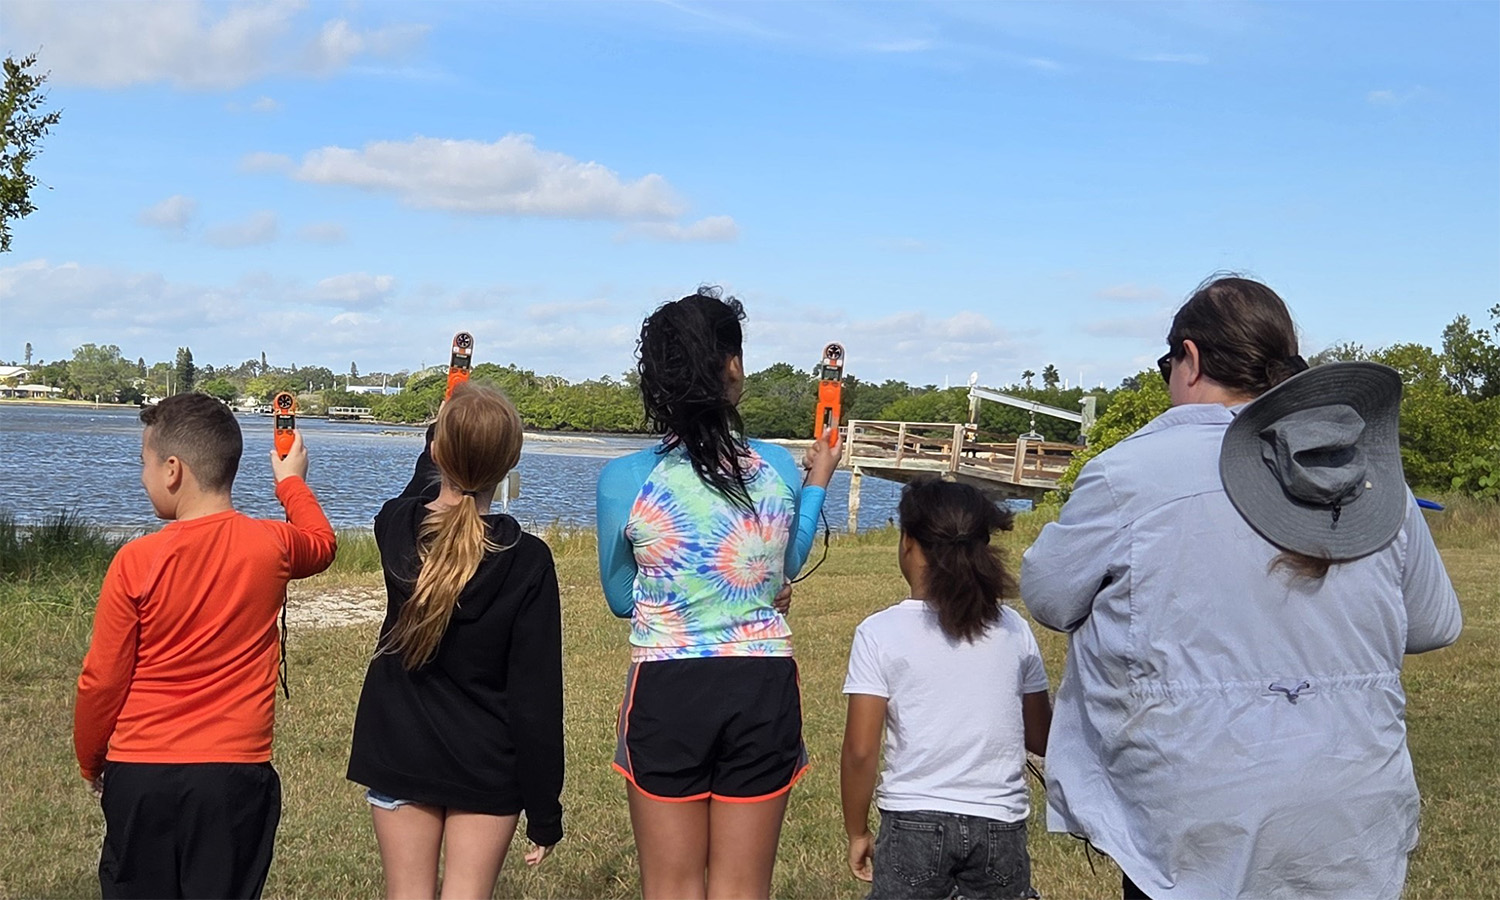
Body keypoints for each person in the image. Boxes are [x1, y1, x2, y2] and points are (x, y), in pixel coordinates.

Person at [1021, 275, 1463, 900]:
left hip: (1193, 825)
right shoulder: (1367, 474)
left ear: (1191, 359)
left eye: (1165, 364)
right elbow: (1435, 623)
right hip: (1356, 808)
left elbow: (1049, 595)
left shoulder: (1130, 473)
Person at [596, 287, 841, 899]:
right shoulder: (780, 467)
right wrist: (816, 485)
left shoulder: (624, 479)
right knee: (742, 888)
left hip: (668, 686)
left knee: (672, 887)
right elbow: (786, 563)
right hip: (762, 685)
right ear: (731, 367)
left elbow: (623, 597)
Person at [74, 393, 337, 899]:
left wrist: (92, 760)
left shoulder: (136, 561)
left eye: (144, 464)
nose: (143, 476)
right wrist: (291, 483)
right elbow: (322, 542)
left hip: (140, 773)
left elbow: (102, 679)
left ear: (172, 470)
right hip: (233, 774)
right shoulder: (272, 546)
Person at [347, 382, 563, 900]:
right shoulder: (528, 560)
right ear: (511, 461)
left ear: (436, 450)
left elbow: (418, 494)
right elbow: (535, 700)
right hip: (487, 763)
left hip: (399, 750)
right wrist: (544, 810)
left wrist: (439, 435)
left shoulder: (395, 527)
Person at [841, 478, 1052, 900]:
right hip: (1000, 821)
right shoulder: (1013, 628)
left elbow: (861, 751)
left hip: (912, 820)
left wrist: (857, 830)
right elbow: (1041, 737)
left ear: (908, 544)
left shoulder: (879, 632)